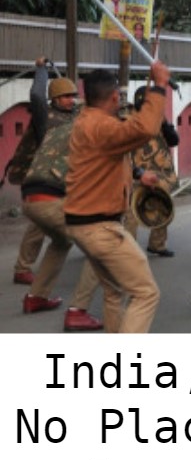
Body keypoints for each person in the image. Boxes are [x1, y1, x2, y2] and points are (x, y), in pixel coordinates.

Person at [64, 63, 169, 334]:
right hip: (100, 228)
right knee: (146, 293)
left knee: (113, 292)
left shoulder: (86, 121)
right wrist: (158, 87)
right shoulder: (100, 126)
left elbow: (104, 158)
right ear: (113, 97)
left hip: (82, 224)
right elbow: (144, 128)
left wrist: (137, 174)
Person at [19, 115, 103, 331]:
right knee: (99, 247)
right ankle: (78, 311)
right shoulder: (91, 129)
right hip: (51, 200)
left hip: (29, 200)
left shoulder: (58, 129)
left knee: (61, 241)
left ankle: (36, 296)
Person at [4, 57, 76, 286]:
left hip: (67, 178)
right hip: (46, 179)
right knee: (40, 224)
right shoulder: (45, 117)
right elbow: (36, 96)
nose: (70, 100)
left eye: (72, 96)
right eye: (65, 96)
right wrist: (41, 70)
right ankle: (23, 268)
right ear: (54, 99)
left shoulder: (75, 114)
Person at [123, 85, 179, 257]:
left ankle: (157, 244)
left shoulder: (159, 119)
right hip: (138, 173)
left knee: (163, 206)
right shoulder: (128, 120)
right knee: (132, 212)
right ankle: (128, 251)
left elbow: (174, 140)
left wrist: (165, 123)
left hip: (161, 172)